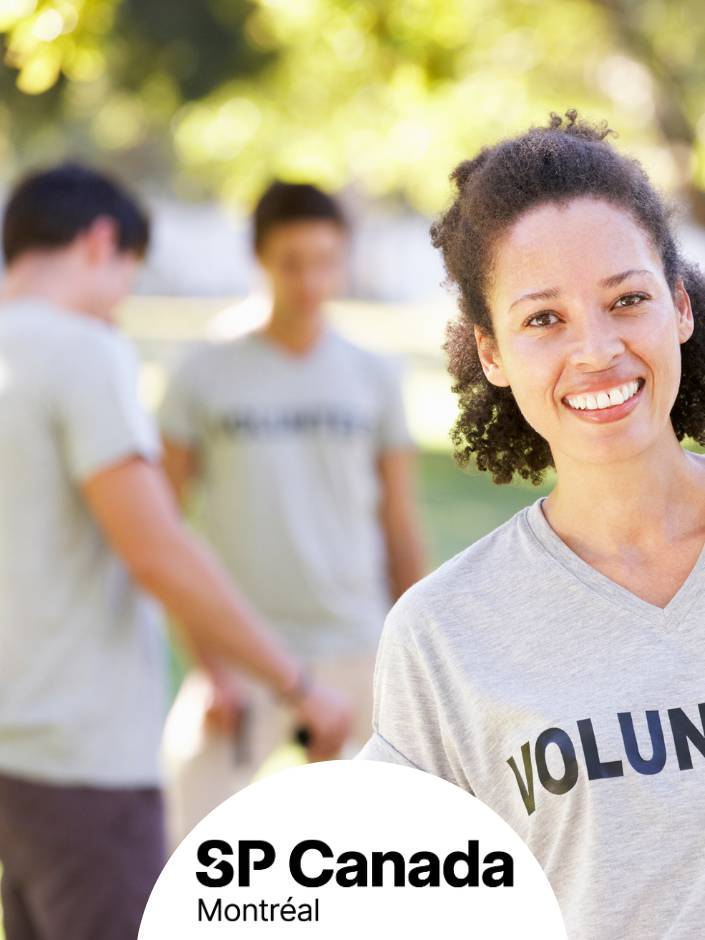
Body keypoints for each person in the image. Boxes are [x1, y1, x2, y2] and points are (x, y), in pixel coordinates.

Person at [359, 110, 705, 939]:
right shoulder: (444, 634)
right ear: (491, 353)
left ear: (678, 308)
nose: (596, 350)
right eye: (543, 319)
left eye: (626, 300)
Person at [0, 163, 350, 940]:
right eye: (127, 275)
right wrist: (296, 685)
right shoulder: (83, 351)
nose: (121, 300)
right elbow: (156, 548)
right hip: (82, 759)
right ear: (101, 243)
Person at [159, 181, 425, 844]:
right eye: (291, 263)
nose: (310, 282)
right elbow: (163, 532)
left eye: (325, 262)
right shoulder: (202, 374)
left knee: (382, 855)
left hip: (358, 644)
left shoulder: (373, 375)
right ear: (259, 259)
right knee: (187, 850)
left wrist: (415, 658)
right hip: (244, 651)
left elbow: (399, 523)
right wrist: (209, 666)